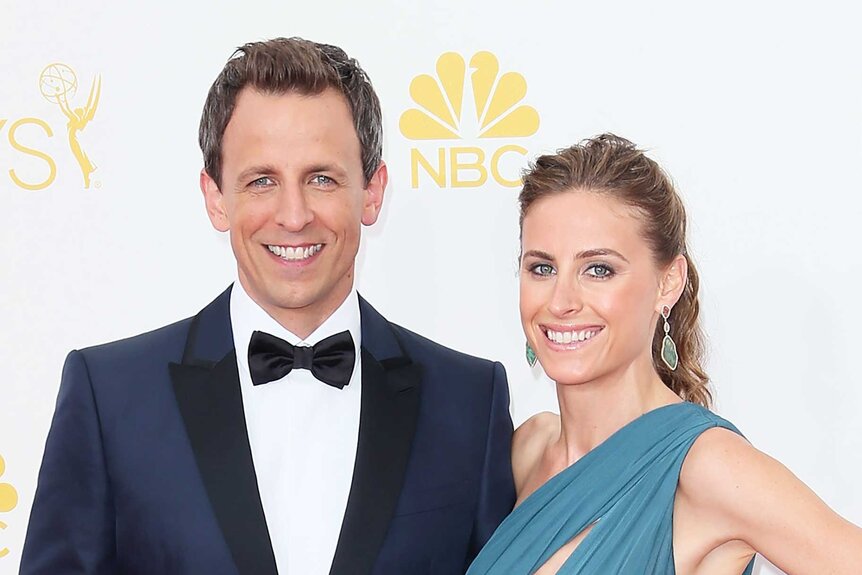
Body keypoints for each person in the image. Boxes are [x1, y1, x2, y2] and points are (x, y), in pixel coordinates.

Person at [21, 37, 515, 575]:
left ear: (372, 192)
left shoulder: (469, 402)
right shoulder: (109, 397)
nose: (295, 215)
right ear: (216, 198)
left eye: (322, 178)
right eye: (262, 181)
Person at [467, 134, 862, 574]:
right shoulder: (528, 447)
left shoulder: (706, 466)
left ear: (668, 282)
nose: (560, 302)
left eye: (599, 269)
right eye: (542, 268)